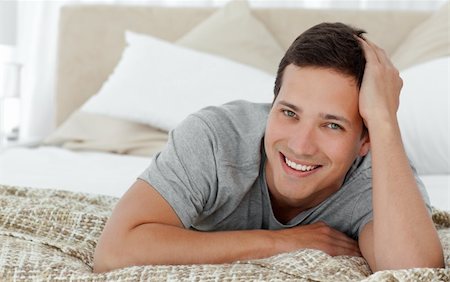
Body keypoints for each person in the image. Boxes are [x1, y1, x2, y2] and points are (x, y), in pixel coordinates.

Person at [93, 22, 443, 273]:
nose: (300, 145)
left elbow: (413, 271)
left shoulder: (381, 181)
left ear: (365, 140)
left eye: (332, 124)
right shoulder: (215, 140)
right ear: (271, 105)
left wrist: (384, 122)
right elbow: (115, 250)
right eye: (289, 113)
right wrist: (282, 242)